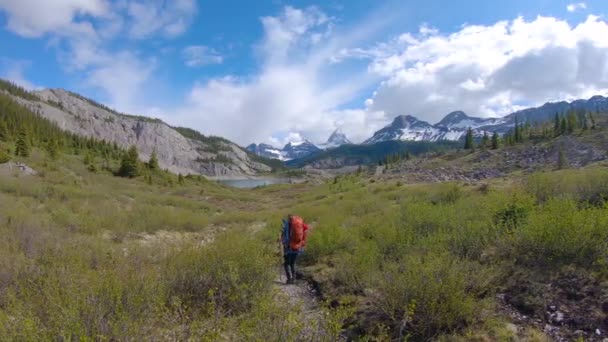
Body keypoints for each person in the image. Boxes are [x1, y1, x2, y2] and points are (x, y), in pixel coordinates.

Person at [280, 214, 309, 284]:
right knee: (293, 263)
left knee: (286, 264)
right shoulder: (300, 225)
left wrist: (282, 241)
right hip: (297, 248)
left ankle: (289, 279)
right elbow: (304, 235)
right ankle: (294, 278)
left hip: (289, 248)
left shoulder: (287, 226)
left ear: (288, 219)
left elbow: (285, 239)